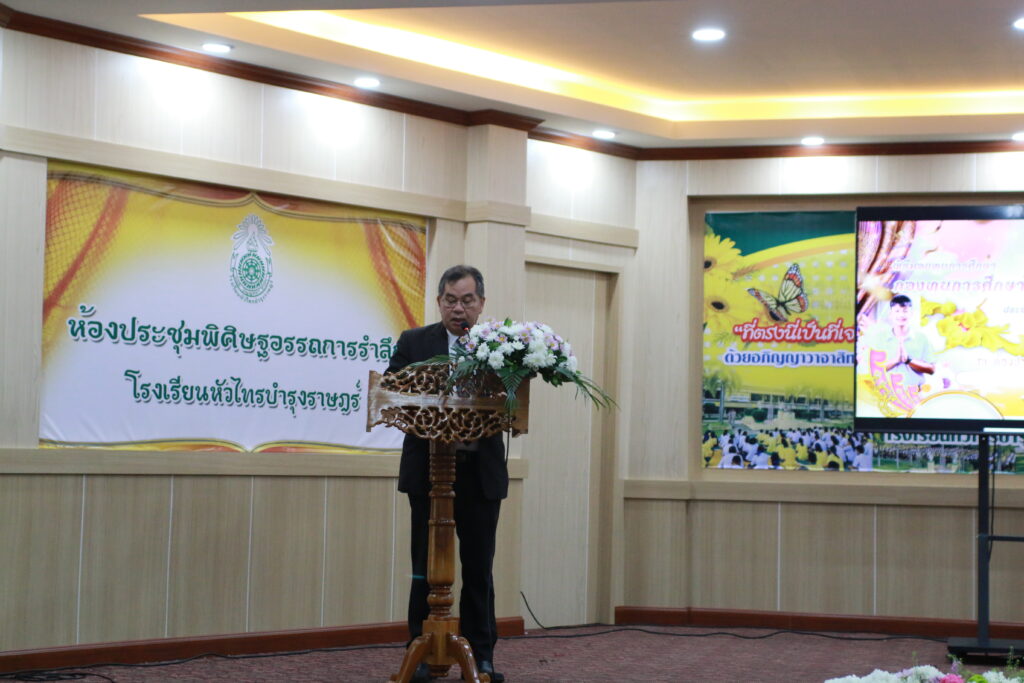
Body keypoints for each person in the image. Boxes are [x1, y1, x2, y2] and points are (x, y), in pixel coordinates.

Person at [387, 265, 506, 683]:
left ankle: (482, 655)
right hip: (428, 471)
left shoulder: (501, 348)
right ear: (439, 302)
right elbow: (392, 393)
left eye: (467, 300)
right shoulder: (415, 342)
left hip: (479, 473)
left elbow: (515, 400)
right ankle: (421, 650)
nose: (459, 309)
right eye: (451, 300)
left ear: (481, 304)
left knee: (478, 567)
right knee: (424, 565)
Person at [871, 294, 936, 387]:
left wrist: (908, 361)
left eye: (905, 311)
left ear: (911, 313)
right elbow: (873, 371)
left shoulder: (922, 338)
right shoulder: (880, 338)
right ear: (891, 314)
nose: (901, 315)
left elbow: (932, 369)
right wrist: (896, 360)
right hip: (886, 392)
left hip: (914, 392)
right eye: (897, 311)